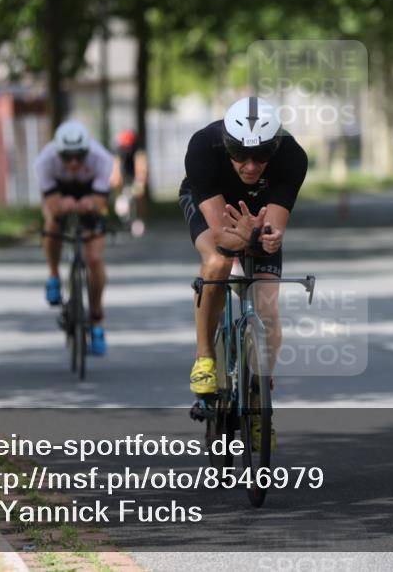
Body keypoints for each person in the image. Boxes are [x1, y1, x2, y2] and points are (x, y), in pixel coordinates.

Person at [178, 96, 308, 447]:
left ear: (275, 147)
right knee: (217, 263)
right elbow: (221, 235)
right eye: (240, 155)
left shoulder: (292, 157)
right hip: (212, 204)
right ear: (227, 144)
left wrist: (264, 238)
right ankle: (205, 358)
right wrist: (250, 234)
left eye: (261, 156)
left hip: (256, 213)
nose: (251, 166)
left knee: (268, 307)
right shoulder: (204, 147)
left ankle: (257, 396)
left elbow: (273, 234)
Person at [34, 120, 115, 355]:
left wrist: (90, 204)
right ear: (58, 153)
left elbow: (100, 203)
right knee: (52, 224)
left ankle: (97, 318)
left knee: (94, 259)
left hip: (90, 194)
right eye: (67, 157)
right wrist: (61, 206)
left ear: (87, 152)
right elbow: (51, 206)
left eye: (79, 157)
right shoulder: (44, 161)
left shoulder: (102, 159)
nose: (73, 163)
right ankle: (53, 275)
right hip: (60, 193)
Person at [110, 129, 148, 237]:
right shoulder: (118, 150)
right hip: (124, 170)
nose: (126, 149)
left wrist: (139, 182)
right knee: (118, 189)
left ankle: (139, 217)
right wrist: (116, 183)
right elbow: (116, 169)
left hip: (134, 170)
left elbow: (141, 166)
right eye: (124, 147)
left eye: (128, 147)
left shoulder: (138, 148)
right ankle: (124, 215)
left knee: (139, 192)